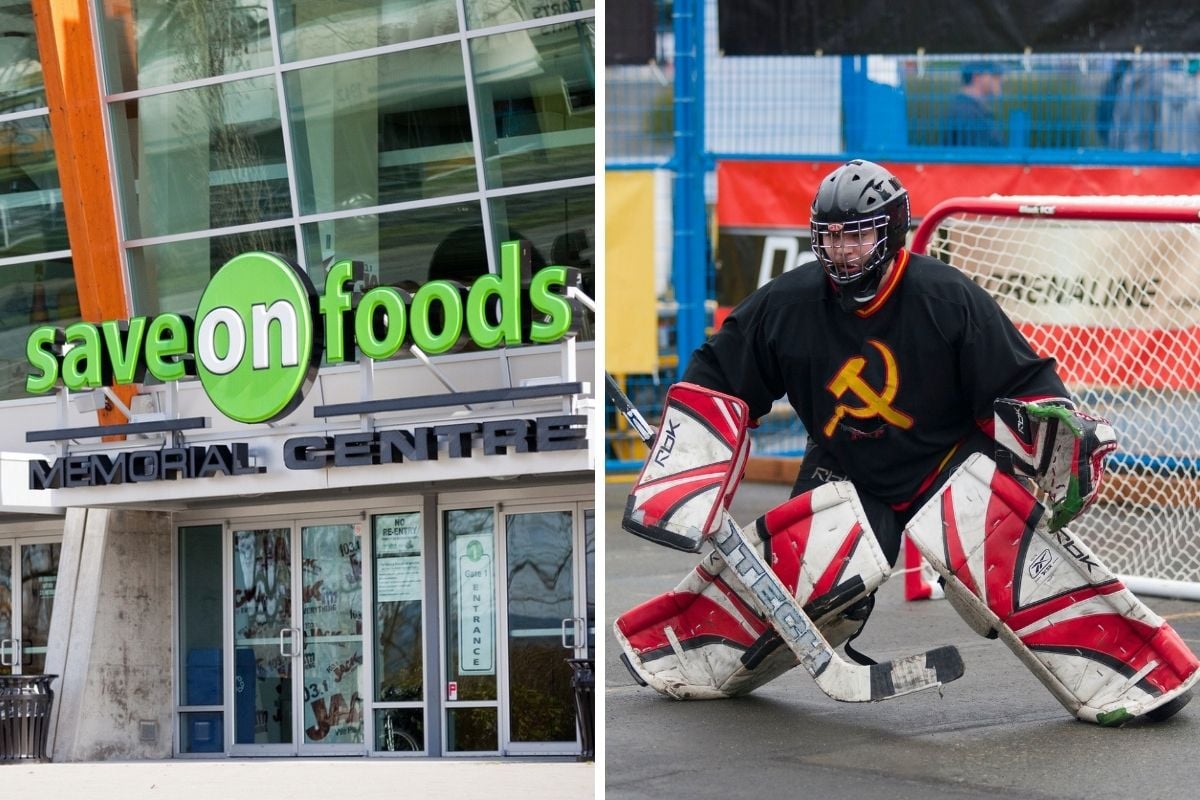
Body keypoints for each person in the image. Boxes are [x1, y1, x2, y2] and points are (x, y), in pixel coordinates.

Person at [613, 159, 1197, 722]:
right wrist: (688, 466)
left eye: (858, 237)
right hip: (844, 467)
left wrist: (1057, 442)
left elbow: (1021, 382)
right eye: (831, 237)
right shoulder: (786, 305)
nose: (842, 252)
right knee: (807, 574)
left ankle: (1145, 677)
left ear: (890, 233)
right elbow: (717, 376)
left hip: (945, 465)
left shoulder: (947, 298)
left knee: (1023, 571)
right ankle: (670, 655)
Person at [942, 61, 1005, 147]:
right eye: (995, 76)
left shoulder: (971, 108)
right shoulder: (965, 112)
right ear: (977, 77)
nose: (1000, 80)